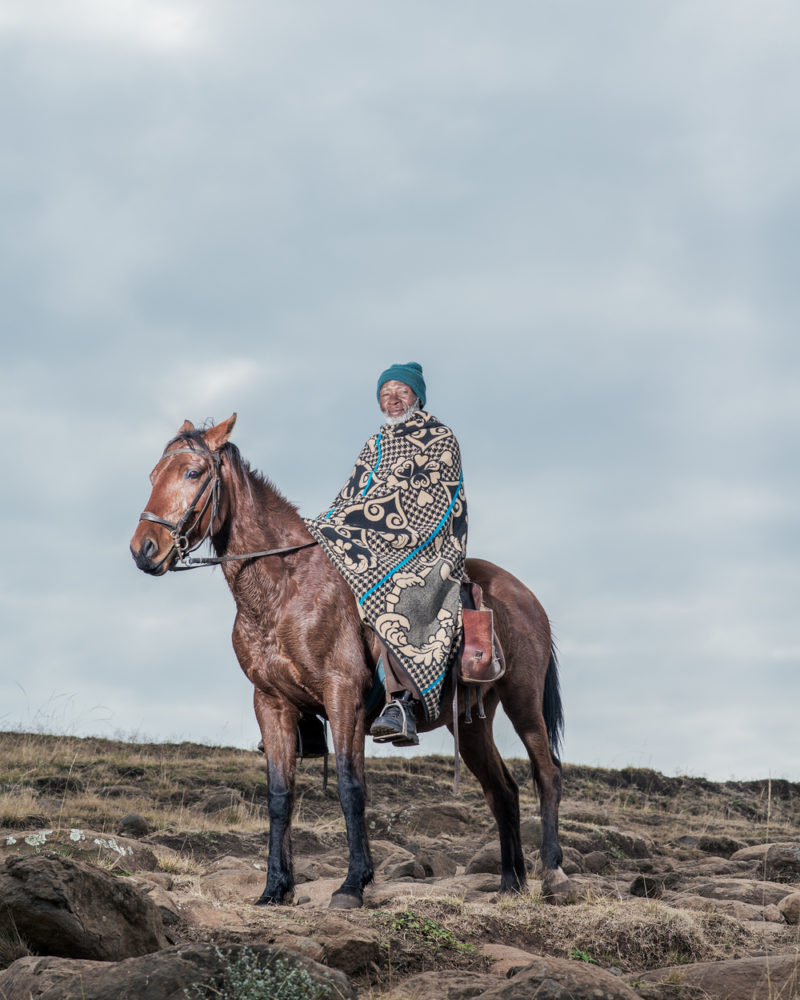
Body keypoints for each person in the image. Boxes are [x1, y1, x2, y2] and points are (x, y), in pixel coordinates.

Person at [304, 363, 468, 747]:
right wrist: (327, 525)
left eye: (401, 393)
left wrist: (379, 526)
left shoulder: (441, 438)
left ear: (417, 397)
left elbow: (433, 501)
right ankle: (306, 706)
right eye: (385, 395)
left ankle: (402, 701)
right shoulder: (374, 444)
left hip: (427, 543)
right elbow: (351, 497)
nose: (392, 401)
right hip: (373, 541)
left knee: (399, 591)